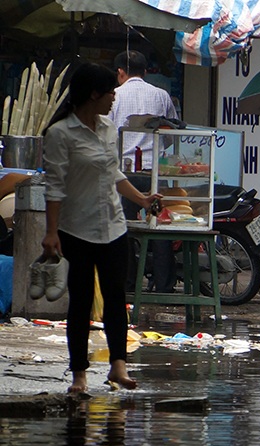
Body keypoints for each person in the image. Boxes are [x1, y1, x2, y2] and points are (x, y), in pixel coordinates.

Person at [42, 62, 161, 394]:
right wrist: (51, 232)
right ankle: (79, 374)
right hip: (76, 229)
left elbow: (114, 175)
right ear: (94, 94)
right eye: (110, 92)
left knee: (115, 298)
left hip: (113, 226)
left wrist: (142, 199)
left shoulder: (109, 129)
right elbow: (55, 187)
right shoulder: (60, 134)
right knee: (80, 301)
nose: (114, 98)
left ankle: (118, 367)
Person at [111, 50, 178, 293]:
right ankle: (164, 286)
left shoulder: (114, 96)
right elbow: (172, 134)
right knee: (159, 227)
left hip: (125, 174)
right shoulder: (161, 96)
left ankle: (128, 284)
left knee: (125, 229)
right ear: (146, 71)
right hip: (156, 173)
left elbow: (107, 135)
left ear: (120, 72)